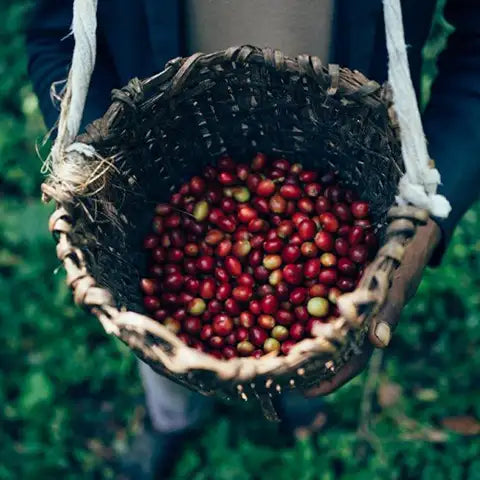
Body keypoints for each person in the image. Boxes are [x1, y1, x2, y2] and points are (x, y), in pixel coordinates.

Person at [26, 0, 480, 478]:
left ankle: (295, 404)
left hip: (343, 147)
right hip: (162, 163)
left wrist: (426, 218)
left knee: (318, 349)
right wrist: (102, 166)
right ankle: (172, 422)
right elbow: (58, 36)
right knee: (165, 349)